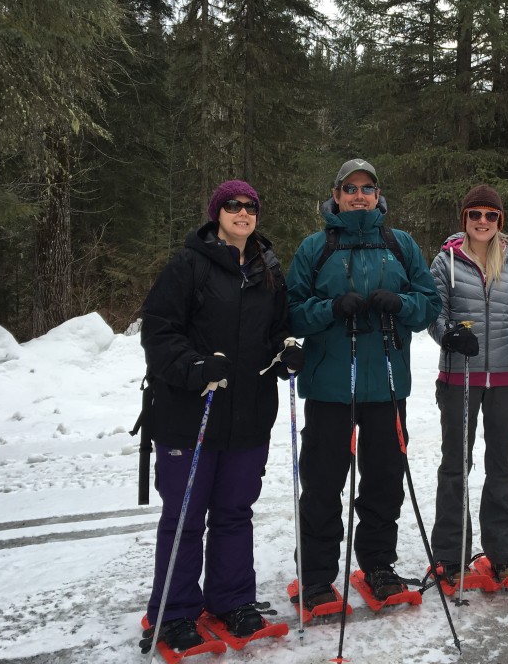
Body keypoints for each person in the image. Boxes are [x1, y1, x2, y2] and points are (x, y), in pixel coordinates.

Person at [140, 180, 303, 650]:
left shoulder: (267, 267)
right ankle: (174, 613)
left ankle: (232, 601)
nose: (242, 212)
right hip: (189, 411)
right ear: (217, 213)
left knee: (234, 512)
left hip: (247, 412)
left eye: (250, 206)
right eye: (232, 205)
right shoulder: (188, 264)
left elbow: (279, 328)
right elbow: (159, 330)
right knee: (186, 514)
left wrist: (287, 351)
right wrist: (193, 366)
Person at [285, 158, 441, 610]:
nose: (358, 195)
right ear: (336, 195)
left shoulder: (400, 244)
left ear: (377, 195)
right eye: (349, 188)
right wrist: (331, 309)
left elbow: (429, 305)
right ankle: (315, 577)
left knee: (385, 482)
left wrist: (401, 303)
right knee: (322, 483)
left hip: (387, 387)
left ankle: (378, 566)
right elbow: (292, 310)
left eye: (366, 188)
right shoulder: (317, 247)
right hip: (330, 387)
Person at [427, 184, 508, 584]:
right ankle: (449, 554)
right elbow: (434, 310)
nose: (483, 222)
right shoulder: (445, 261)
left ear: (500, 222)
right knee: (455, 466)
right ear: (464, 219)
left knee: (502, 467)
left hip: (506, 378)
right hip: (458, 377)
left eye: (491, 215)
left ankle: (502, 553)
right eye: (475, 214)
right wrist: (447, 335)